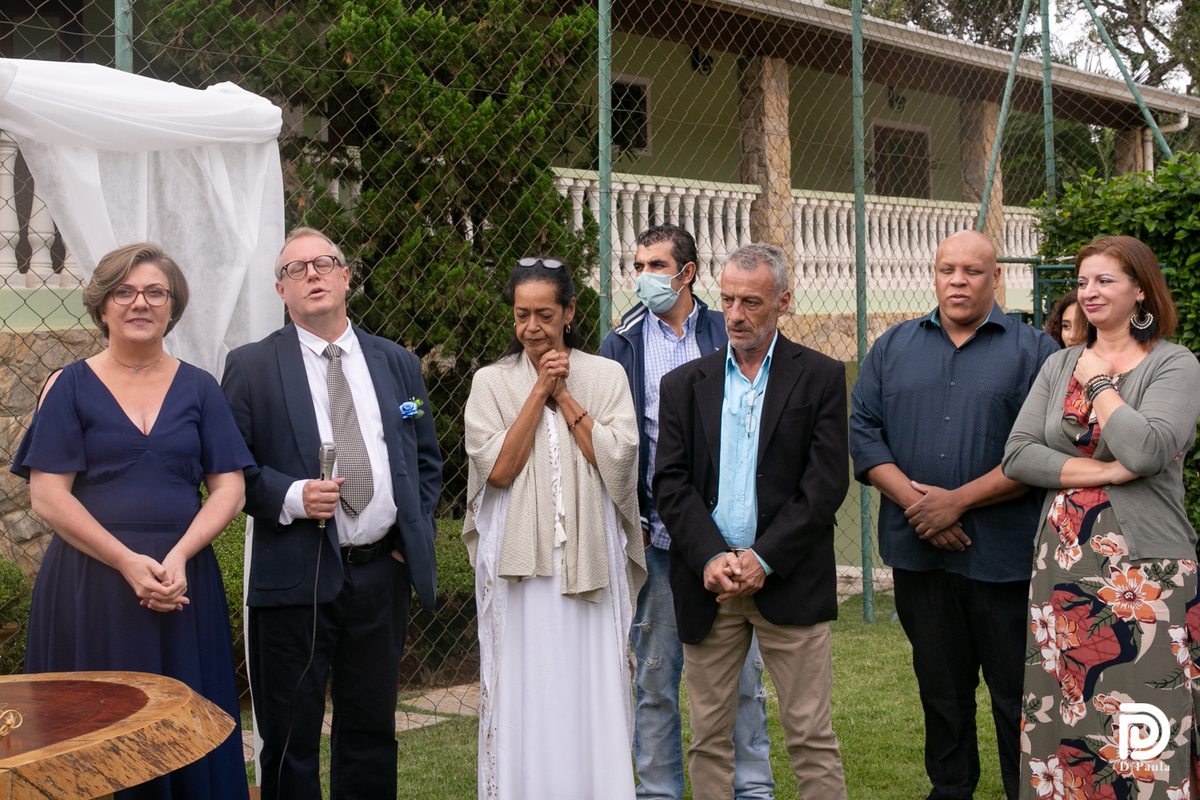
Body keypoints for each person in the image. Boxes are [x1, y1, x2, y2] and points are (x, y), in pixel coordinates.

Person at [12, 242, 253, 800]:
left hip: (181, 586)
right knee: (87, 739)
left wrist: (179, 556)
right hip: (89, 588)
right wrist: (125, 561)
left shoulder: (201, 387)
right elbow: (47, 495)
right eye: (124, 292)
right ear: (102, 306)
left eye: (154, 292)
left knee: (185, 729)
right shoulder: (68, 385)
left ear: (173, 307)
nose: (139, 303)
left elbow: (230, 488)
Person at [221, 227, 441, 800]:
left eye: (324, 263)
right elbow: (229, 472)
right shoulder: (251, 367)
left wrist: (407, 537)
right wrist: (293, 497)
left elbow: (424, 459)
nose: (312, 275)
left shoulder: (398, 363)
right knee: (289, 736)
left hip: (381, 575)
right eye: (295, 269)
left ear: (346, 277)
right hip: (295, 575)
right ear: (281, 290)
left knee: (371, 730)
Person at [849, 230, 1059, 800]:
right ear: (935, 274)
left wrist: (957, 502)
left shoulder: (1035, 352)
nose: (958, 281)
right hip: (919, 555)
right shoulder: (892, 346)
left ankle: (1026, 791)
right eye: (948, 270)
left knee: (1016, 695)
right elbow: (864, 432)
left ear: (997, 278)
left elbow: (1044, 449)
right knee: (941, 692)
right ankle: (950, 790)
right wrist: (923, 508)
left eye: (972, 271)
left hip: (1003, 558)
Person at [1002, 235, 1200, 799]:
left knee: (1143, 714)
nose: (1089, 291)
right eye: (1083, 281)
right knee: (1067, 710)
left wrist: (1098, 384)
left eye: (1105, 280)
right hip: (1063, 567)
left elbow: (1146, 448)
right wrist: (1108, 472)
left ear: (1140, 291)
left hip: (1147, 573)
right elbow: (1018, 454)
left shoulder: (1173, 363)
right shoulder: (1058, 362)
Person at [653, 242, 849, 800]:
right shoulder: (683, 384)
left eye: (752, 303)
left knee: (810, 736)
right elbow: (670, 483)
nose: (735, 315)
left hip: (789, 579)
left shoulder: (820, 377)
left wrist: (764, 558)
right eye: (728, 300)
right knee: (708, 739)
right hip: (709, 584)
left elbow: (824, 485)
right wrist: (711, 556)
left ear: (783, 302)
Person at [599, 224, 775, 800]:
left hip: (727, 541)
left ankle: (752, 789)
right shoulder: (621, 344)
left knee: (742, 678)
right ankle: (658, 792)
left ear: (687, 273)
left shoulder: (727, 331)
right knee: (655, 677)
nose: (643, 276)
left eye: (656, 265)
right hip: (657, 539)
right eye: (638, 265)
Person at [463, 256, 646, 800]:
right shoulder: (491, 382)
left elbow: (616, 462)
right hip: (521, 572)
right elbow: (498, 470)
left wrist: (564, 393)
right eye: (522, 315)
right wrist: (538, 390)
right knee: (527, 687)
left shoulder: (606, 376)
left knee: (591, 685)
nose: (532, 328)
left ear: (569, 312)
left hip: (590, 563)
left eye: (545, 314)